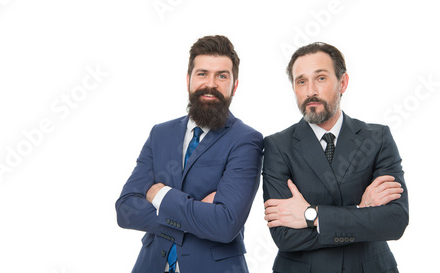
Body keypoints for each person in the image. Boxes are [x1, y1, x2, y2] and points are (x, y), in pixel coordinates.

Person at [116, 35, 263, 273]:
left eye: (222, 76)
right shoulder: (160, 133)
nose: (210, 84)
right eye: (202, 73)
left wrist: (160, 194)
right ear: (188, 80)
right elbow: (125, 210)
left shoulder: (246, 140)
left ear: (235, 85)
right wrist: (199, 216)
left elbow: (225, 224)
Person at [262, 42, 409, 273]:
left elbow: (395, 221)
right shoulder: (277, 146)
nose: (310, 90)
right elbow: (285, 236)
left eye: (320, 78)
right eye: (301, 81)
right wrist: (361, 209)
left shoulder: (377, 138)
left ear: (343, 83)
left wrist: (311, 215)